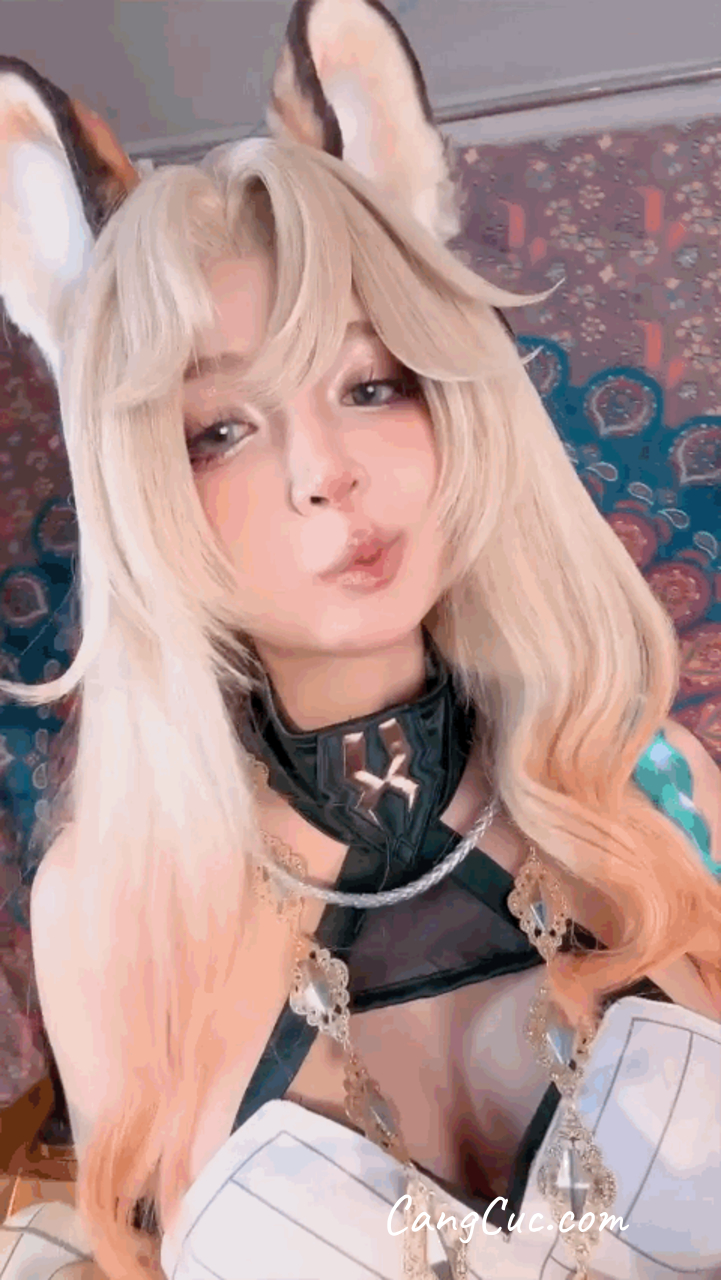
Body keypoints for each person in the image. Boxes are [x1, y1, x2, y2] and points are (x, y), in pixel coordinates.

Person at [1, 2, 720, 1278]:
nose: (324, 470)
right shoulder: (111, 909)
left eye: (369, 383)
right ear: (139, 484)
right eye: (220, 428)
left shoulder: (644, 783)